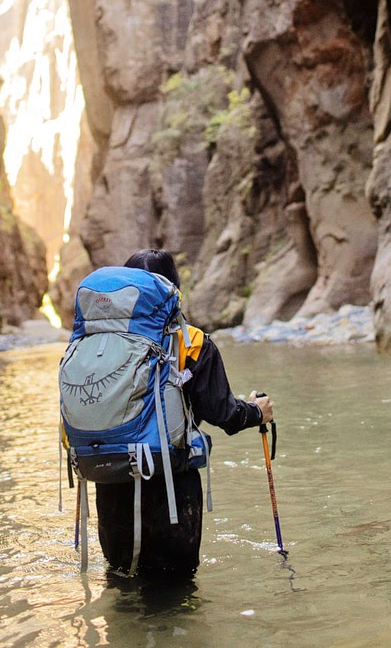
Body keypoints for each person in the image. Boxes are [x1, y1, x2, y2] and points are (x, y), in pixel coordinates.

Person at [94, 248, 274, 578]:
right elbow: (226, 415)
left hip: (112, 486)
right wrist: (256, 412)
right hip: (172, 492)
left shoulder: (98, 345)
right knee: (176, 597)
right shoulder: (191, 342)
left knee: (120, 588)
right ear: (175, 290)